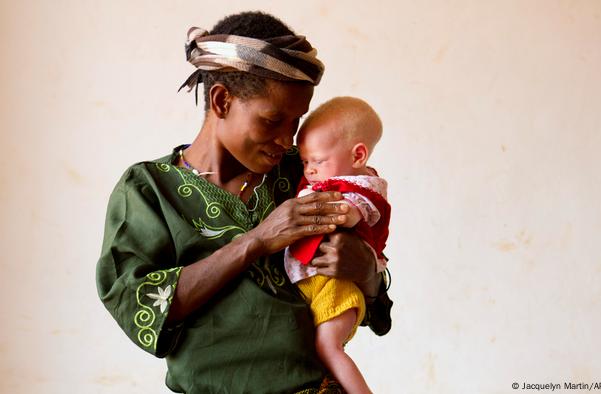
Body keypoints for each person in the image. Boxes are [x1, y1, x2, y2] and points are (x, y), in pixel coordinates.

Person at [95, 11, 392, 394]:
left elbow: (376, 301)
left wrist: (366, 271)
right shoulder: (149, 190)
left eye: (296, 124)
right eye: (273, 120)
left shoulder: (304, 175)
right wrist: (255, 242)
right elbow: (138, 308)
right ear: (221, 101)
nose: (288, 140)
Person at [283, 97, 390, 394]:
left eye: (317, 161)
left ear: (357, 156)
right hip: (315, 285)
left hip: (335, 287)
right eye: (305, 162)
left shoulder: (359, 188)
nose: (310, 170)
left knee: (328, 347)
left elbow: (351, 211)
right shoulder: (319, 180)